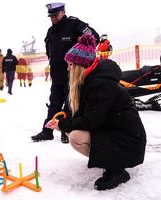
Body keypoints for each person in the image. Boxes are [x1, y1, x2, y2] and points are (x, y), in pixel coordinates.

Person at [45, 34, 146, 190]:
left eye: (70, 64)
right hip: (115, 133)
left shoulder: (101, 84)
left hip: (129, 143)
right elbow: (85, 113)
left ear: (79, 66)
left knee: (75, 137)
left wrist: (63, 124)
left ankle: (117, 169)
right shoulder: (90, 79)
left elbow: (90, 121)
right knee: (69, 130)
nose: (68, 68)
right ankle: (109, 159)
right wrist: (64, 119)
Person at [31, 2, 100, 143]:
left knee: (70, 104)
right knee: (54, 104)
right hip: (57, 75)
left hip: (72, 74)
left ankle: (66, 131)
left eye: (55, 15)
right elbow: (49, 51)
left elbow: (94, 37)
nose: (53, 18)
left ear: (63, 12)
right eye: (51, 16)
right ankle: (47, 131)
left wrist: (81, 53)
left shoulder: (74, 24)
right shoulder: (51, 31)